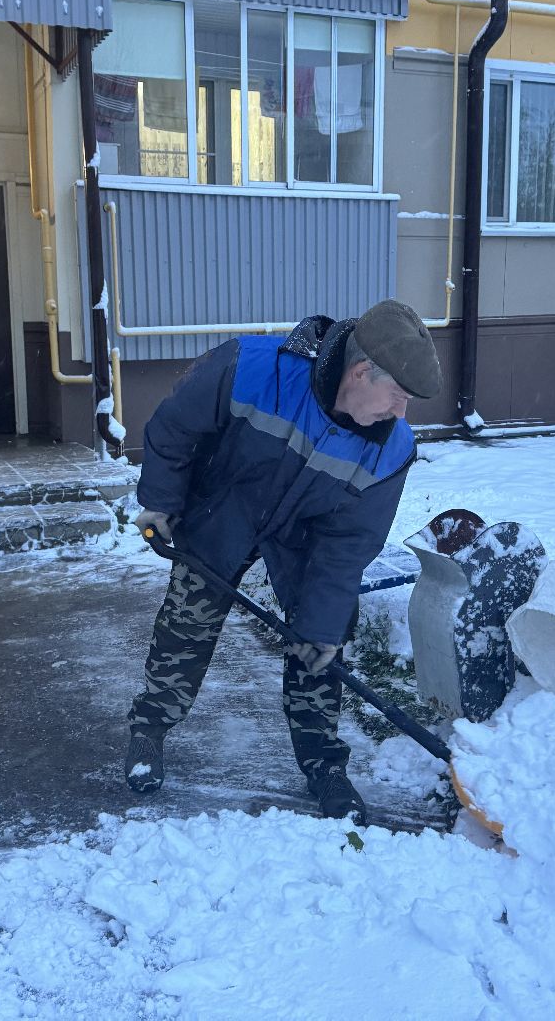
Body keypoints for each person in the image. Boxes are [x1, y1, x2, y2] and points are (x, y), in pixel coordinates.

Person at [124, 300, 441, 825]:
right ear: (361, 372)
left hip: (304, 541)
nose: (401, 412)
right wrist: (161, 502)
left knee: (321, 642)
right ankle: (150, 728)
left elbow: (346, 549)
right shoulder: (250, 368)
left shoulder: (390, 452)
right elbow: (173, 428)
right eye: (398, 396)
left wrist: (320, 629)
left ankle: (325, 767)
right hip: (222, 509)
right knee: (186, 624)